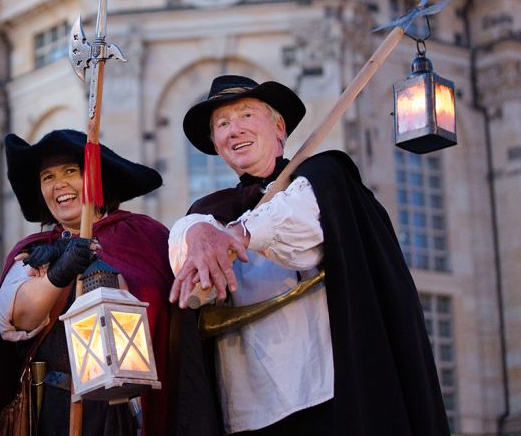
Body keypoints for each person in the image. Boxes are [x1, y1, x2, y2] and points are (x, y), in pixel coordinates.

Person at [167, 75, 449, 435]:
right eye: (222, 124)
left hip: (325, 393)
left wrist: (240, 234)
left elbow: (301, 222)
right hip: (247, 407)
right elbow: (182, 252)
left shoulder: (322, 178)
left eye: (246, 116)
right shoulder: (207, 213)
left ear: (279, 127)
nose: (233, 130)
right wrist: (196, 232)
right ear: (217, 146)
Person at [0, 129, 175, 436]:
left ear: (96, 178)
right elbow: (18, 316)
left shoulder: (146, 236)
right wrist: (59, 273)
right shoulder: (34, 252)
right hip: (60, 410)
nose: (58, 184)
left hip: (139, 407)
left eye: (70, 171)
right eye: (47, 177)